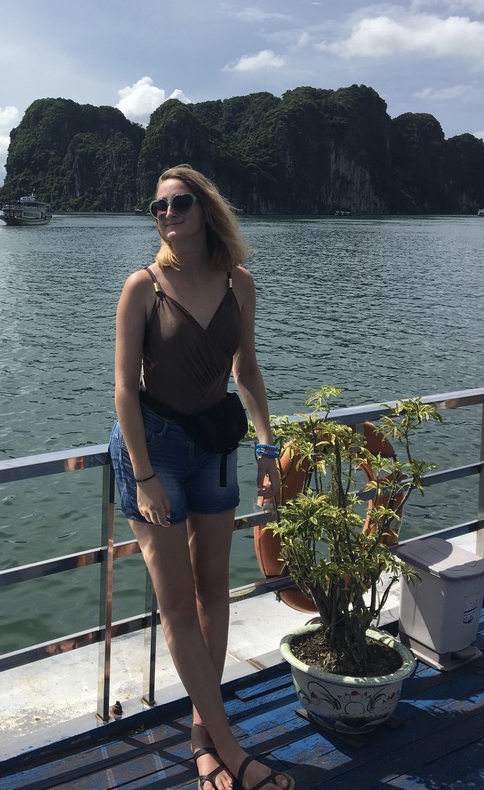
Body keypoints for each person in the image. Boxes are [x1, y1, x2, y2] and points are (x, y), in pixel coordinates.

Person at [109, 165, 295, 790]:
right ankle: (230, 749)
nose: (167, 214)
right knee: (179, 606)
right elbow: (124, 391)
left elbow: (247, 369)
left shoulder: (239, 283)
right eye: (158, 206)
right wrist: (142, 476)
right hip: (154, 451)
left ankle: (201, 731)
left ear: (205, 210)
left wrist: (267, 447)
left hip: (216, 448)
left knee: (214, 593)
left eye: (179, 203)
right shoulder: (143, 287)